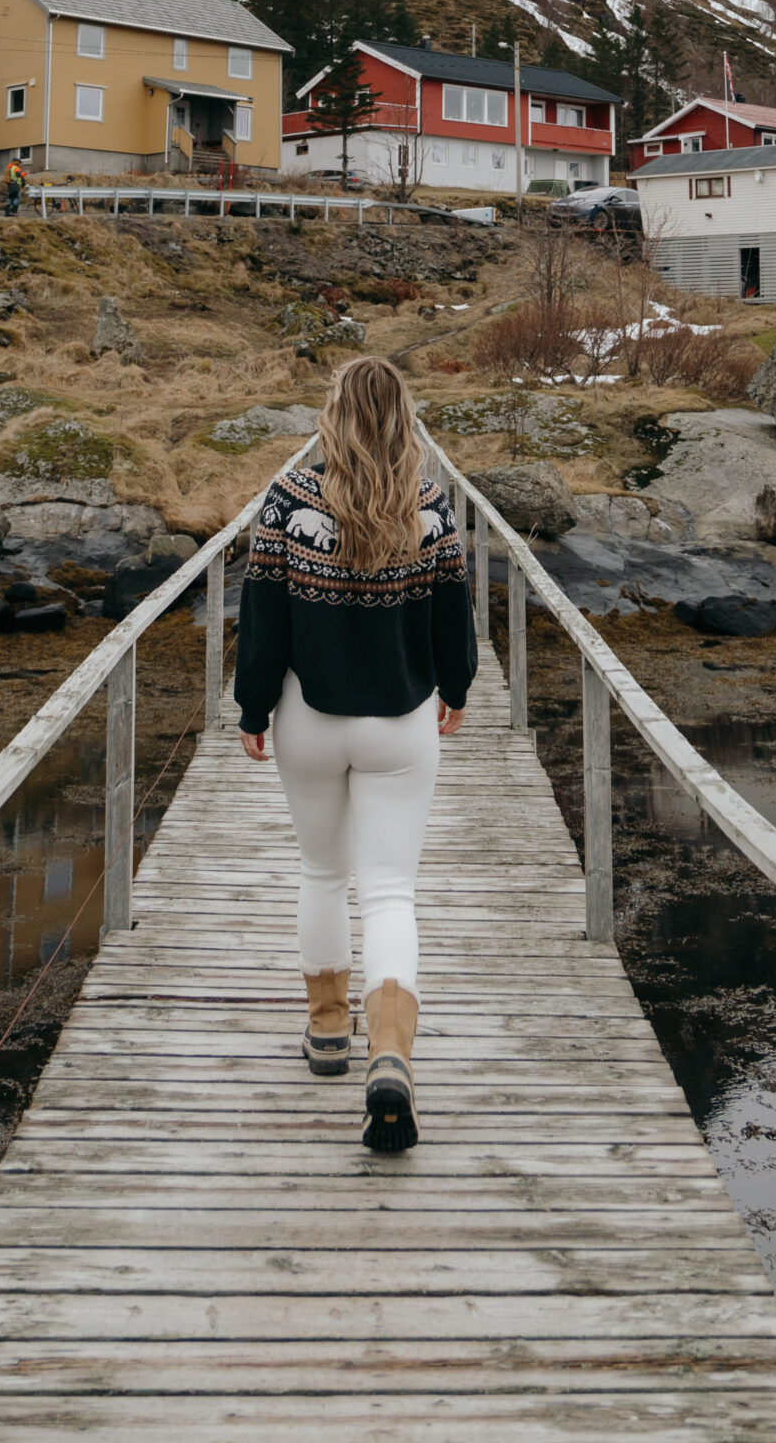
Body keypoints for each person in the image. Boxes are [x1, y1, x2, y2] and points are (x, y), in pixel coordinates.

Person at [235, 356, 476, 1152]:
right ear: (404, 417)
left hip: (309, 713)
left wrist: (251, 705)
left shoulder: (287, 501)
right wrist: (458, 688)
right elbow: (452, 615)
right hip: (400, 718)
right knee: (389, 894)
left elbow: (262, 615)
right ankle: (389, 1056)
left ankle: (327, 1030)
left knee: (321, 876)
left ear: (331, 415)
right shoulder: (431, 504)